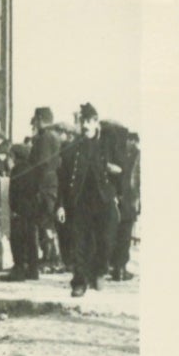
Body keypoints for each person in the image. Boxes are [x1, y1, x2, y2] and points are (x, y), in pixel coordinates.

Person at [54, 103, 119, 297]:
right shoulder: (71, 148)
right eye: (83, 121)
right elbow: (62, 179)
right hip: (80, 201)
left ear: (96, 122)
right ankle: (79, 282)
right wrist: (60, 205)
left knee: (106, 240)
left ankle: (99, 271)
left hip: (103, 200)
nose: (85, 125)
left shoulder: (108, 144)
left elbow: (122, 170)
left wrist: (117, 190)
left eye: (90, 121)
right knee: (79, 242)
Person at [0, 106, 62, 282]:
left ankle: (20, 268)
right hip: (48, 190)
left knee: (20, 225)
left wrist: (26, 185)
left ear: (40, 119)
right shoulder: (55, 137)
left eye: (35, 121)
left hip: (38, 191)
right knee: (30, 229)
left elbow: (40, 167)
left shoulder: (44, 138)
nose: (33, 125)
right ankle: (32, 269)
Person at [105, 123, 140, 281]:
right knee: (124, 236)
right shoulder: (134, 155)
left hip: (115, 200)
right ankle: (120, 269)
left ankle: (113, 267)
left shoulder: (112, 154)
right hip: (128, 200)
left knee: (115, 234)